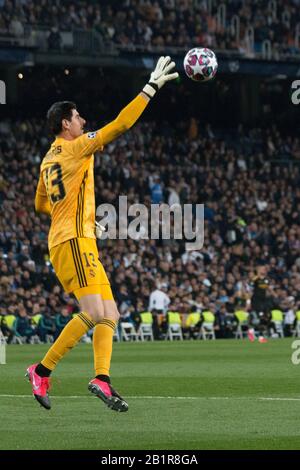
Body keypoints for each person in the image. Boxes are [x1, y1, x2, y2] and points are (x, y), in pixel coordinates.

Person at [25, 56, 178, 411]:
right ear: (66, 124)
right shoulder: (76, 148)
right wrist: (150, 86)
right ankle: (41, 369)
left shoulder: (48, 160)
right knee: (93, 312)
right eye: (78, 117)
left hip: (75, 237)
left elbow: (38, 204)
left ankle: (102, 378)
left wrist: (73, 218)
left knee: (110, 312)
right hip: (74, 241)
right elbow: (121, 124)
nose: (84, 121)